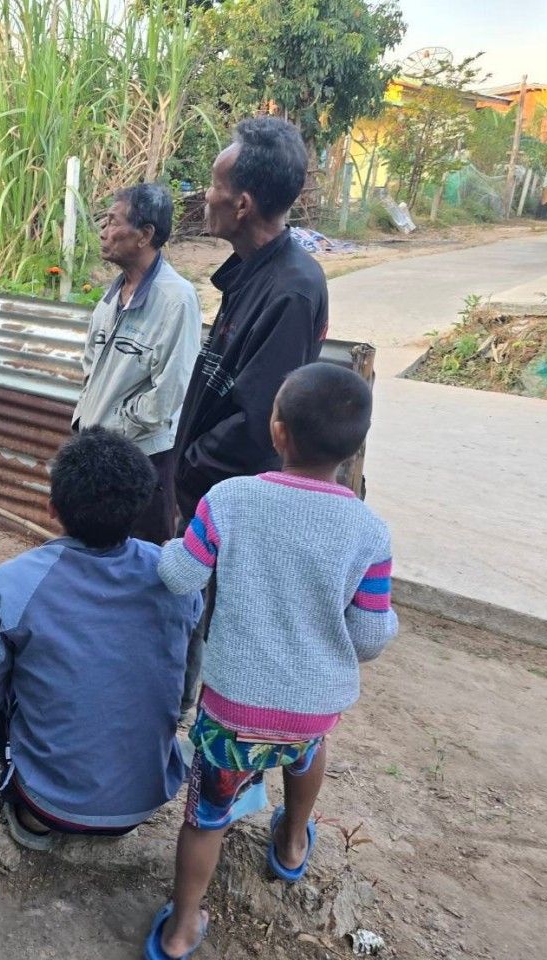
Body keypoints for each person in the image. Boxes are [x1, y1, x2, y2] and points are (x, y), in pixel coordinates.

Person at [145, 362, 398, 960]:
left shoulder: (229, 500)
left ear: (277, 432)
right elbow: (368, 638)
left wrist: (171, 546)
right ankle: (289, 844)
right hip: (310, 712)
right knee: (307, 750)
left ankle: (182, 931)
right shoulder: (369, 531)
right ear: (355, 445)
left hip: (234, 709)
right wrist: (389, 620)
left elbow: (181, 576)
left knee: (207, 816)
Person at [0, 428, 202, 848]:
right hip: (144, 801)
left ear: (52, 508)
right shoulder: (174, 574)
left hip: (49, 803)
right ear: (140, 508)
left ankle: (32, 823)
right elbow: (184, 691)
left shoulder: (14, 583)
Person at [171, 116, 329, 720]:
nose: (204, 196)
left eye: (212, 184)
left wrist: (188, 467)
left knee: (217, 621)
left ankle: (217, 738)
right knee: (198, 613)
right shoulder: (256, 272)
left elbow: (259, 421)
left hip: (228, 494)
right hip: (207, 486)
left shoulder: (291, 288)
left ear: (240, 204)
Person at [72, 183, 201, 545]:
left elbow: (171, 391)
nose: (103, 231)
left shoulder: (176, 299)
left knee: (142, 556)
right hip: (100, 451)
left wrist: (114, 428)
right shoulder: (113, 294)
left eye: (113, 221)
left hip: (143, 460)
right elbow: (90, 366)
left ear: (145, 235)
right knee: (97, 552)